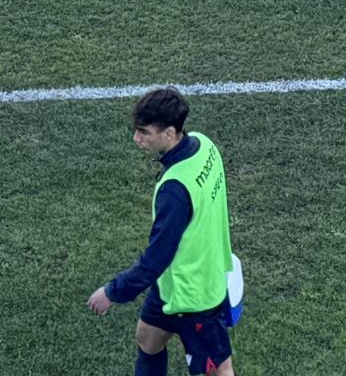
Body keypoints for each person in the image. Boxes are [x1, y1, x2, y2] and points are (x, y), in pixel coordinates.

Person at [87, 87, 237, 376]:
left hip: (194, 294)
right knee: (148, 339)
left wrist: (112, 293)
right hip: (172, 285)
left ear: (169, 133)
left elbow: (156, 258)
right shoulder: (204, 145)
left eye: (144, 132)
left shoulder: (175, 189)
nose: (137, 138)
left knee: (219, 369)